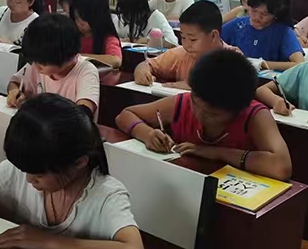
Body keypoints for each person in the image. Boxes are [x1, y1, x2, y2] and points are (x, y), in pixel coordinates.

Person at [0, 94, 145, 249]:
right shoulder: (26, 167)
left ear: (79, 163)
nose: (28, 179)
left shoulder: (106, 195)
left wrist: (46, 242)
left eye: (39, 175)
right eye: (26, 171)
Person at [117, 49, 292, 181]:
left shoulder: (254, 116)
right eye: (195, 103)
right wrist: (147, 134)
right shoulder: (183, 103)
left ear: (238, 110)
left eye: (211, 114)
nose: (198, 114)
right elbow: (125, 115)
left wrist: (215, 152)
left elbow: (281, 167)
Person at [134, 0, 241, 90]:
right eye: (183, 37)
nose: (186, 45)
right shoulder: (182, 53)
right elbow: (148, 64)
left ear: (213, 36)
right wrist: (142, 71)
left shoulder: (234, 58)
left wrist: (196, 88)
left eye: (193, 39)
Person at [6, 14, 99, 116]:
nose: (36, 65)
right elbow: (14, 82)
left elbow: (84, 113)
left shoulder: (85, 71)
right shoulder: (36, 64)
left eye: (42, 62)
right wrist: (14, 91)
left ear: (64, 57)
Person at [222, 0, 304, 71]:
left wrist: (262, 64)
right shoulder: (238, 25)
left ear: (275, 13)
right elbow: (213, 40)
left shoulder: (283, 32)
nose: (257, 17)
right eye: (254, 10)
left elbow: (300, 64)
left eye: (264, 14)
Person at [70, 0, 122, 69]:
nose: (79, 23)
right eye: (76, 18)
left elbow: (115, 60)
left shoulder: (108, 39)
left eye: (84, 18)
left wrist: (79, 57)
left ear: (98, 17)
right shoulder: (72, 35)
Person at [114, 0, 178, 47]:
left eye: (131, 15)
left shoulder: (156, 18)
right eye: (125, 14)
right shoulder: (121, 18)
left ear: (142, 10)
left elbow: (173, 43)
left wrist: (149, 40)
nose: (127, 18)